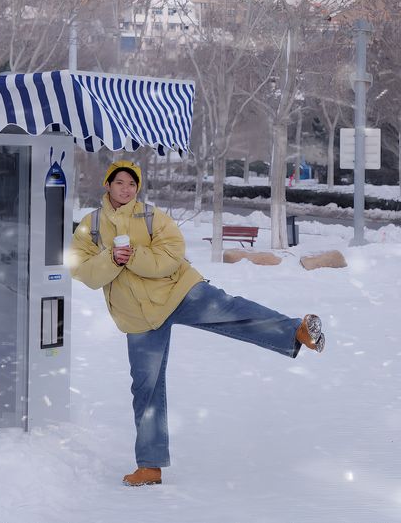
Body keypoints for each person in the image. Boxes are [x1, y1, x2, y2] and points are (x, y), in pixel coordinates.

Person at [68, 159, 325, 487]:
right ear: (107, 185)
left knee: (231, 310)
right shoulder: (90, 226)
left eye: (131, 184)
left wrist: (135, 256)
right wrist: (110, 259)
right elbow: (82, 271)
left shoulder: (151, 216)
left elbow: (172, 255)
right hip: (137, 316)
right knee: (145, 389)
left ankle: (296, 330)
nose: (126, 189)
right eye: (119, 183)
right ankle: (149, 466)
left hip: (179, 291)